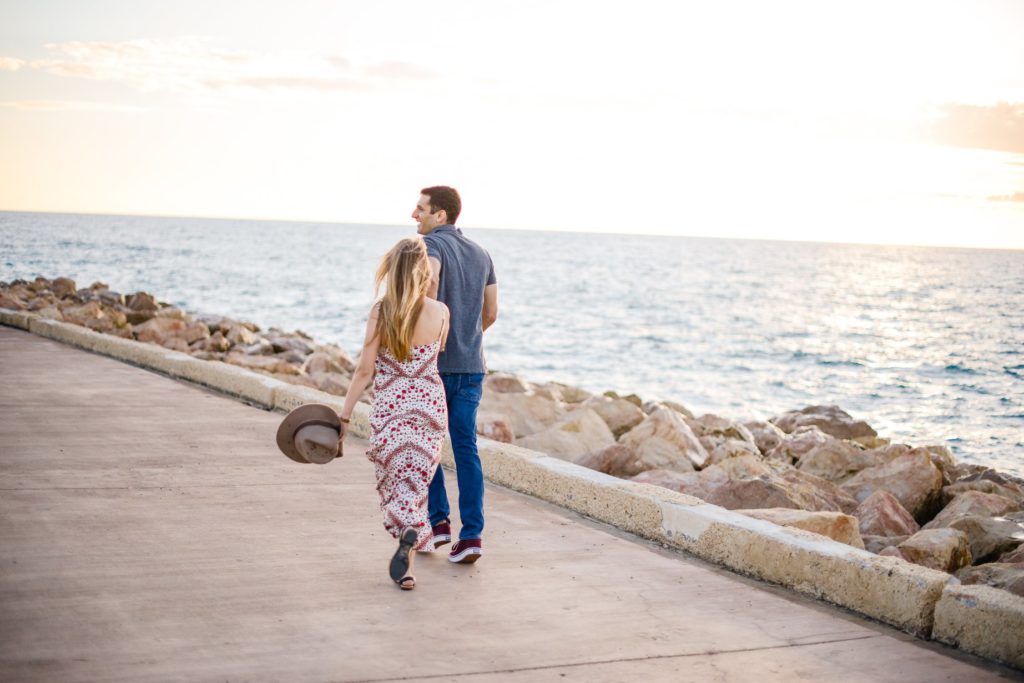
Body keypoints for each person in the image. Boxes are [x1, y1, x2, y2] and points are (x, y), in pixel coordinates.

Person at [338, 237, 450, 590]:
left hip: (391, 408)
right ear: (423, 272)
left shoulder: (381, 311)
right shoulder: (441, 311)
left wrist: (343, 416)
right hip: (430, 405)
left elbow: (364, 371)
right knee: (417, 486)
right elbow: (438, 352)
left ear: (391, 270)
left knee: (395, 483)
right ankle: (408, 563)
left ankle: (407, 552)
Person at [412, 186, 498, 564]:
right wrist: (465, 334)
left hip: (435, 365)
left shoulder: (430, 247)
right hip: (472, 366)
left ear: (441, 215)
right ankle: (472, 537)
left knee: (426, 444)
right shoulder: (482, 254)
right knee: (466, 449)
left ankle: (438, 523)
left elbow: (429, 283)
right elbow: (491, 312)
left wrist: (432, 335)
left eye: (421, 209)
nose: (415, 215)